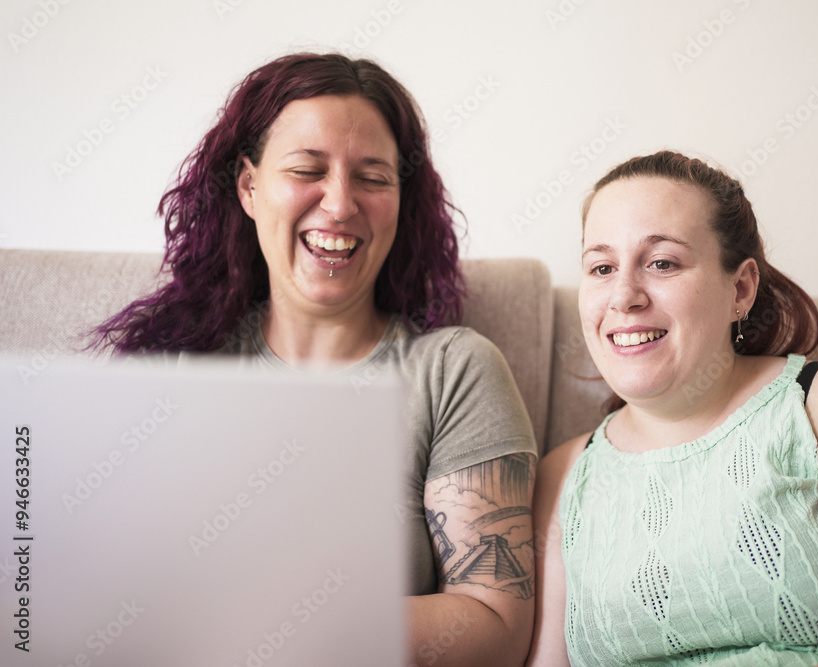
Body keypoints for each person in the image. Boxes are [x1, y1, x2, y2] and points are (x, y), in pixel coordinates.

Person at [92, 53, 536, 666]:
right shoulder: (174, 368)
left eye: (373, 178)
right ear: (249, 187)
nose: (341, 204)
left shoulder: (453, 370)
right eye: (307, 170)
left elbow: (495, 626)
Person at [527, 150, 818, 665]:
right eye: (601, 267)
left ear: (741, 289)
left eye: (662, 262)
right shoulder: (564, 474)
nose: (623, 297)